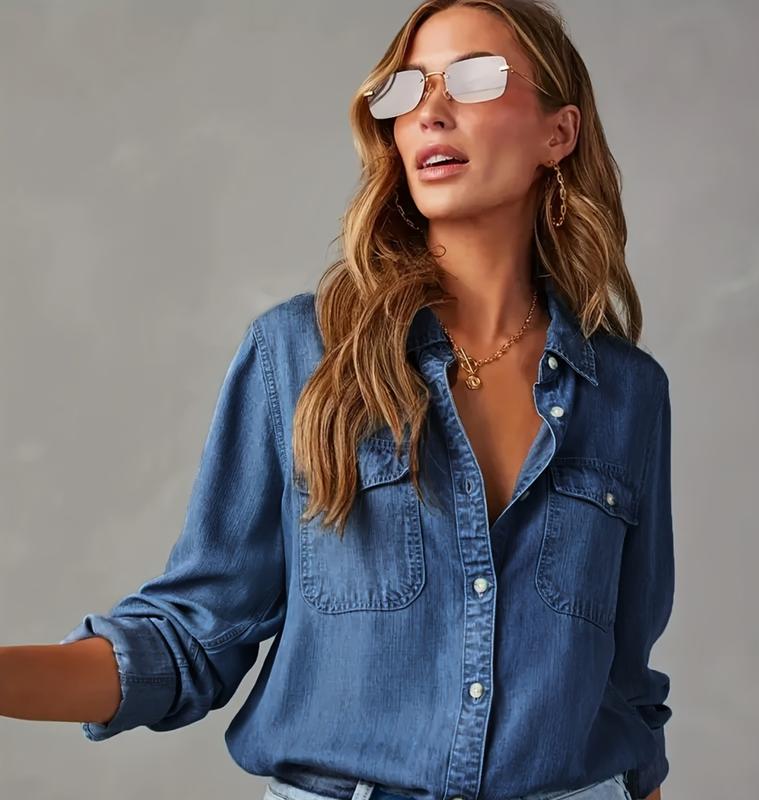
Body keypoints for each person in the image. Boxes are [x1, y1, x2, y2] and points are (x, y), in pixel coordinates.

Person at [0, 2, 675, 800]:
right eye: (409, 88)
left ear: (558, 134)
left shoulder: (627, 393)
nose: (430, 110)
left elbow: (626, 688)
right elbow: (191, 637)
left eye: (472, 78)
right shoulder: (297, 356)